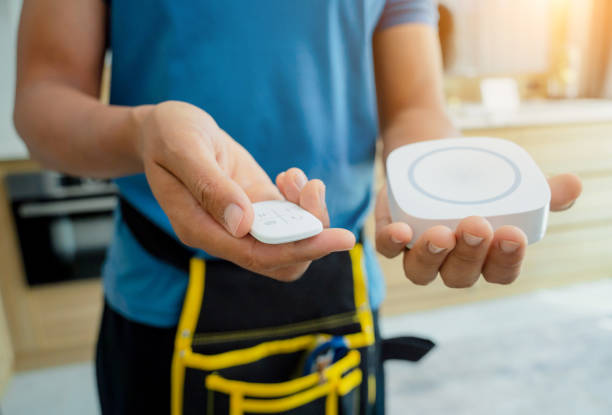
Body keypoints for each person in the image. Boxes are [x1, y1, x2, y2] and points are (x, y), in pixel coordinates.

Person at [13, 0, 582, 413]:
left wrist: (437, 187)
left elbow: (414, 106)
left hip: (341, 288)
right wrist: (143, 131)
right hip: (165, 302)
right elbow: (42, 101)